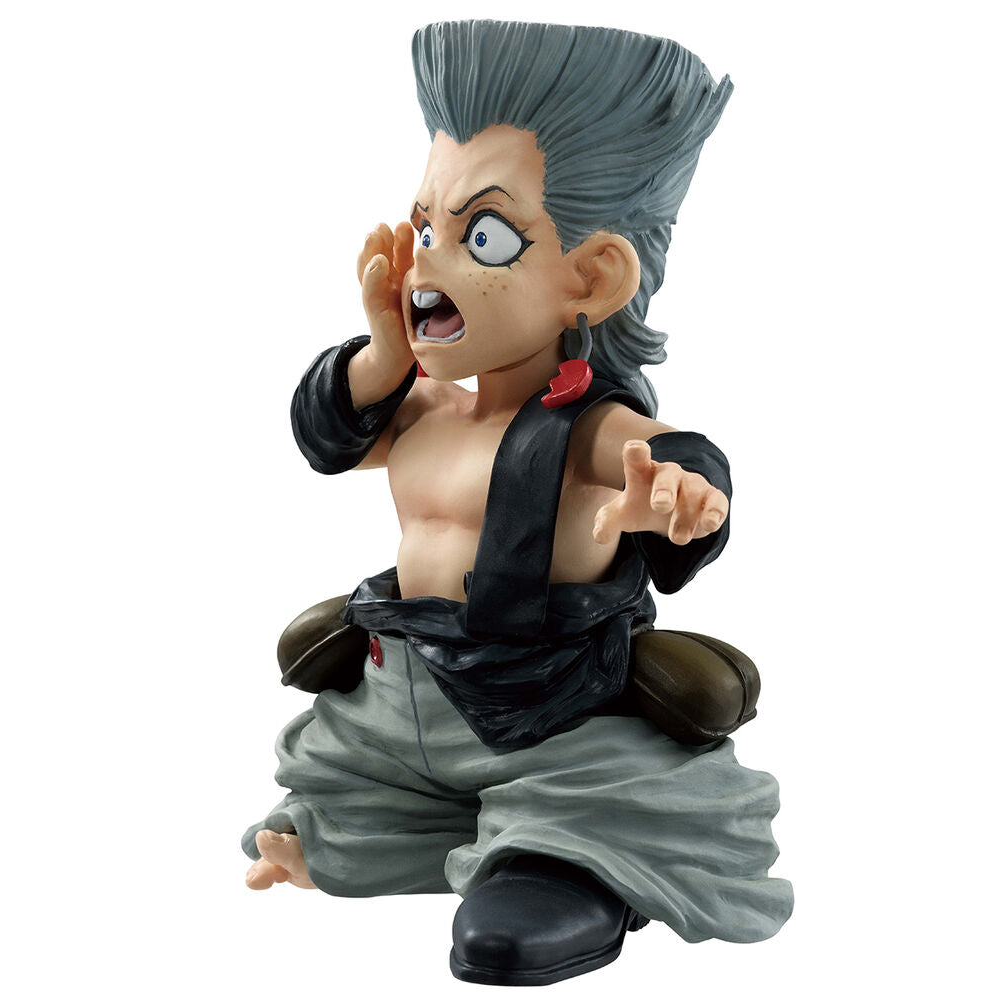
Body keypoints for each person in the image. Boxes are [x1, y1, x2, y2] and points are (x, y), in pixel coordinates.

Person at [243, 20, 793, 986]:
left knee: (592, 802)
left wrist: (679, 490)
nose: (427, 265)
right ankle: (390, 828)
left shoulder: (581, 426)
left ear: (592, 277)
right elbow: (328, 435)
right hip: (400, 698)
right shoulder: (421, 407)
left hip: (545, 718)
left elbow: (670, 452)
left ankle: (559, 861)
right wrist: (382, 350)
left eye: (483, 237)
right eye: (424, 229)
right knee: (334, 776)